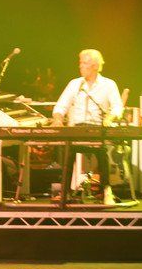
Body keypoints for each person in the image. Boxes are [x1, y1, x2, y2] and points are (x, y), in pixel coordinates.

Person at [51, 49, 125, 202]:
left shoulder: (108, 85)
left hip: (97, 128)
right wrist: (58, 118)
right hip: (76, 129)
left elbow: (118, 107)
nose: (81, 66)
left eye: (85, 63)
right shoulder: (75, 84)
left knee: (102, 152)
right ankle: (65, 192)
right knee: (67, 150)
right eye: (80, 63)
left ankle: (106, 191)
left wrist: (110, 117)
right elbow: (61, 106)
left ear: (95, 66)